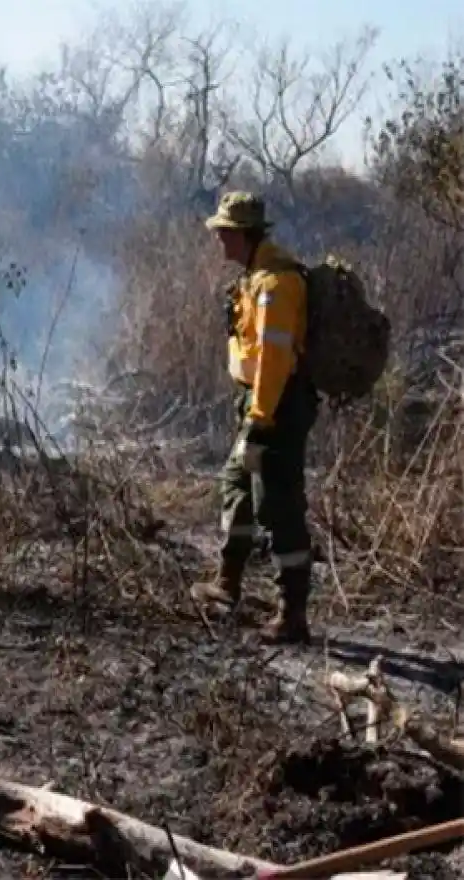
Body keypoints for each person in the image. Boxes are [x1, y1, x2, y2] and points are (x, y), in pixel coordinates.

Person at [190, 191, 318, 644]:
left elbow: (274, 359)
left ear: (243, 235)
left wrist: (261, 420)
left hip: (277, 407)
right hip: (259, 404)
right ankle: (227, 582)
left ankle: (293, 615)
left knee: (277, 504)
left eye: (224, 233)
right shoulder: (254, 277)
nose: (219, 241)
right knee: (236, 485)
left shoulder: (276, 285)